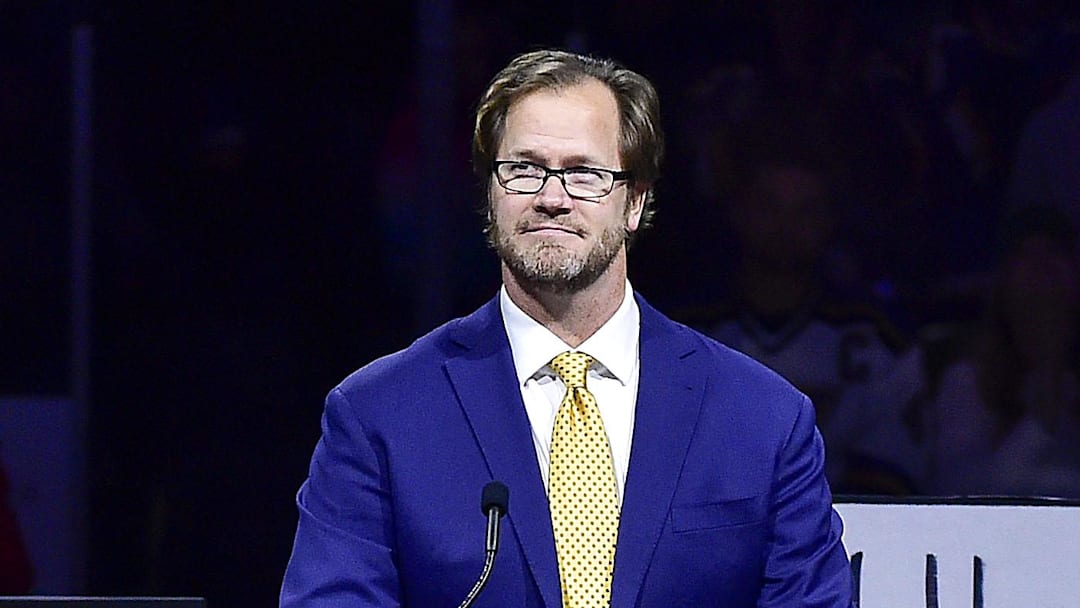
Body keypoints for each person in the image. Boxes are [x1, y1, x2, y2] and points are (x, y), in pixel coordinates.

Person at [281, 49, 852, 607]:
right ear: (490, 194)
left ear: (634, 203)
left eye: (583, 174)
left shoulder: (763, 418)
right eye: (523, 169)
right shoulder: (379, 415)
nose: (551, 198)